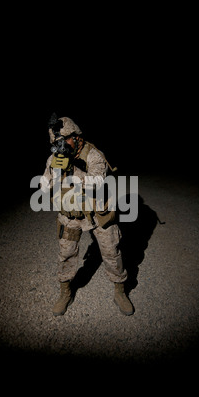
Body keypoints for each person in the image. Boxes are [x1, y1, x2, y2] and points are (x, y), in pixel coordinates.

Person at [40, 114, 134, 316]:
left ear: (77, 137)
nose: (61, 145)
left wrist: (72, 170)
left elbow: (98, 183)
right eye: (57, 142)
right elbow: (43, 186)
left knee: (111, 252)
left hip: (97, 212)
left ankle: (120, 290)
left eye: (64, 140)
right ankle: (65, 292)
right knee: (66, 254)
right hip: (71, 214)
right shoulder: (54, 158)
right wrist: (53, 170)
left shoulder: (93, 155)